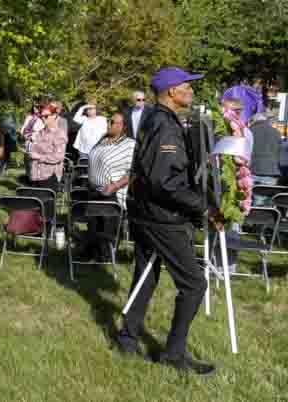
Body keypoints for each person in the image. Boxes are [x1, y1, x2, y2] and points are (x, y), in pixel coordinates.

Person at [117, 67, 217, 375]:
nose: (191, 90)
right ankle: (174, 354)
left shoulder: (154, 118)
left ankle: (127, 339)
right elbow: (165, 182)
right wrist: (206, 208)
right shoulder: (164, 125)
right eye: (187, 86)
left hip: (147, 213)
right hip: (162, 217)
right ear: (171, 92)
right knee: (194, 283)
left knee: (146, 275)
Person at [80, 113, 135, 260]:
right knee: (93, 225)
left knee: (107, 227)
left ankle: (106, 256)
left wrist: (115, 185)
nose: (109, 124)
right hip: (93, 191)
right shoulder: (102, 140)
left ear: (123, 126)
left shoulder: (129, 145)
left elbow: (133, 172)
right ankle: (91, 255)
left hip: (112, 193)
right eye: (109, 121)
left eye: (113, 122)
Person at [28, 104, 67, 193]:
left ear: (54, 116)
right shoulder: (39, 133)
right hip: (35, 174)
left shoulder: (59, 134)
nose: (43, 118)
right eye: (41, 116)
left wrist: (39, 157)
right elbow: (33, 151)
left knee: (46, 204)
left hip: (49, 175)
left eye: (46, 116)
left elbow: (58, 157)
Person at [248, 111, 282, 205]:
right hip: (271, 171)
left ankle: (254, 218)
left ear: (253, 121)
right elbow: (280, 151)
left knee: (251, 202)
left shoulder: (249, 131)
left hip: (252, 170)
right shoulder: (276, 132)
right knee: (266, 202)